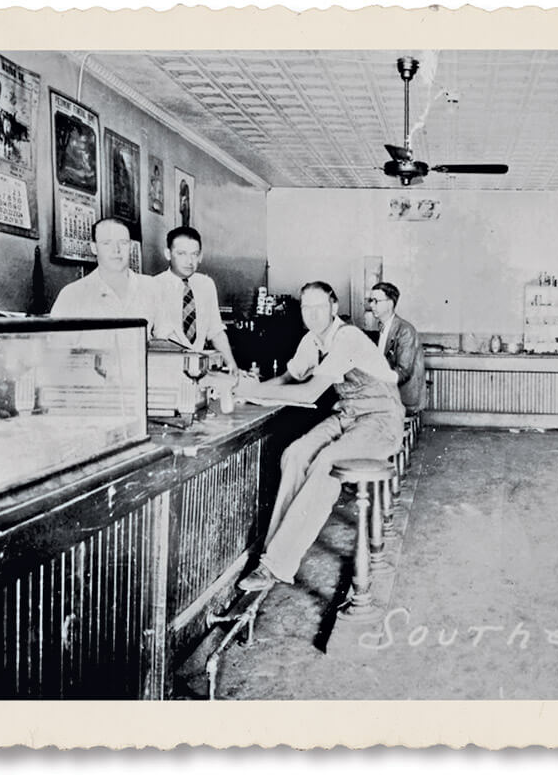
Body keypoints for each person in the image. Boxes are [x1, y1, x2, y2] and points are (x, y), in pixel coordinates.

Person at [233, 281, 404, 591]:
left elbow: (311, 390)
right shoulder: (311, 341)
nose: (311, 314)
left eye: (319, 306)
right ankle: (271, 553)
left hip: (381, 419)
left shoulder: (347, 337)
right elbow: (287, 379)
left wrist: (252, 390)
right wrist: (243, 393)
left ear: (334, 307)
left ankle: (276, 564)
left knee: (326, 462)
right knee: (295, 454)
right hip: (348, 415)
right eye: (305, 307)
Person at [150, 226, 240, 373]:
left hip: (199, 371)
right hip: (165, 371)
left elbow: (216, 332)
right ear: (168, 254)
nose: (189, 261)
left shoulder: (206, 284)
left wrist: (233, 368)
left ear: (201, 256)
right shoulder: (153, 286)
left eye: (194, 254)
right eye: (181, 254)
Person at [50, 217, 156, 328]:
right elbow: (56, 342)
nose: (116, 250)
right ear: (94, 248)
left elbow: (167, 337)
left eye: (123, 243)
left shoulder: (151, 287)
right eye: (106, 243)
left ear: (131, 246)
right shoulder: (72, 295)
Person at [368, 281, 426, 415]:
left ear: (390, 303)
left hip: (403, 398)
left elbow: (403, 372)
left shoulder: (405, 330)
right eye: (370, 300)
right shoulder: (383, 328)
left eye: (376, 301)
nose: (371, 305)